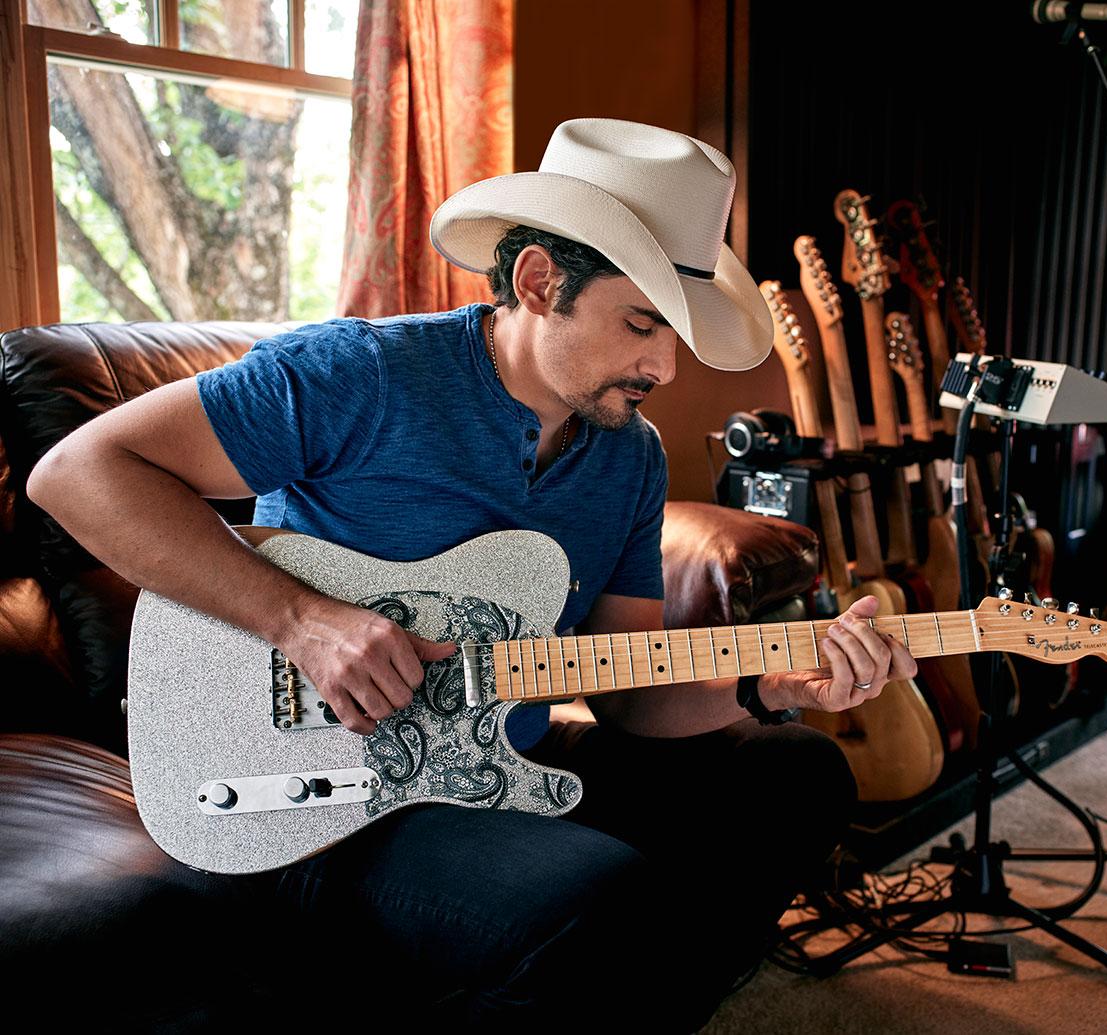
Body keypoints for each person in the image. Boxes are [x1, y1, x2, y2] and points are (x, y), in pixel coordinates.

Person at [28, 117, 918, 1029]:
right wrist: (300, 618)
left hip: (498, 757)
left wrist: (770, 684)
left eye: (673, 337)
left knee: (795, 772)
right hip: (313, 782)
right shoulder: (362, 373)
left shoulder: (629, 457)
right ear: (539, 282)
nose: (661, 366)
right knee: (590, 894)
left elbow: (626, 686)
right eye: (641, 323)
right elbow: (76, 473)